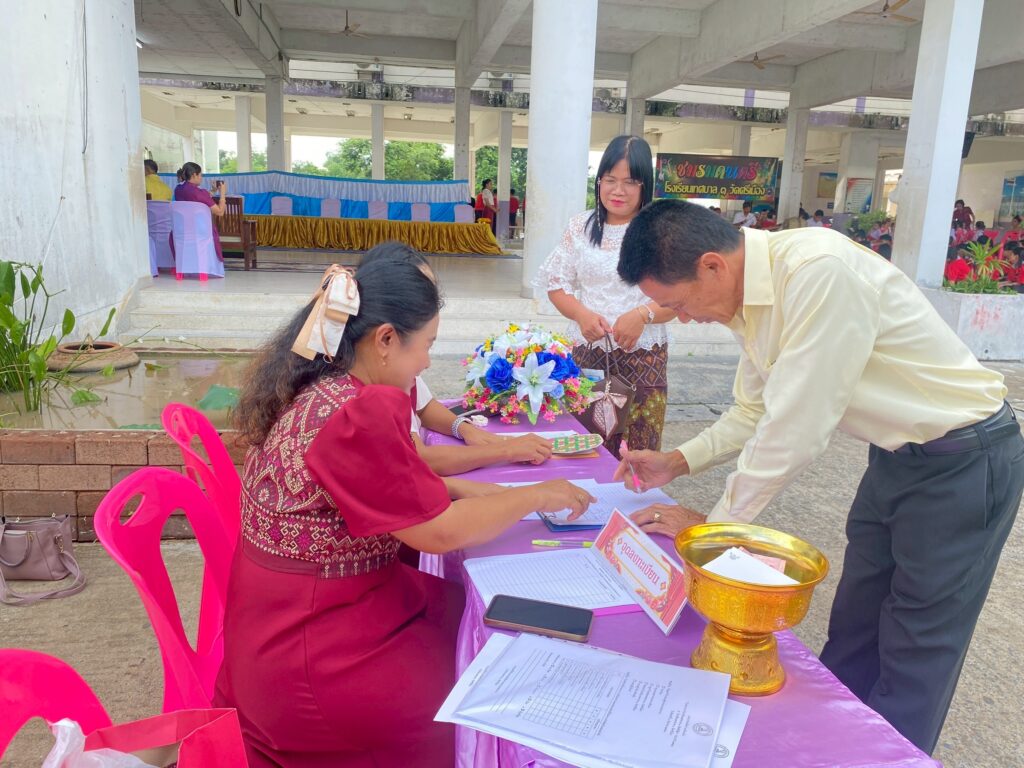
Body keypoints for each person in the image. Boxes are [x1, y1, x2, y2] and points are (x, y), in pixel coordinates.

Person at [610, 200, 1023, 755]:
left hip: (964, 460)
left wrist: (714, 535)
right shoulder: (749, 300)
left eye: (679, 304)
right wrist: (677, 461)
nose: (682, 318)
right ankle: (833, 751)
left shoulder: (819, 273)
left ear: (712, 266)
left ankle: (888, 760)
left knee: (917, 645)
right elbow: (755, 411)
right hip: (895, 456)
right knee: (855, 623)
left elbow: (794, 431)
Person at [215, 250, 595, 767]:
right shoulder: (357, 410)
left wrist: (479, 489)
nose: (427, 364)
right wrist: (536, 494)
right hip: (313, 656)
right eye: (427, 345)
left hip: (278, 628)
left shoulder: (320, 384)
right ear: (386, 339)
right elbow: (439, 533)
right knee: (482, 690)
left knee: (469, 618)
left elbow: (401, 486)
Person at [534, 135, 676, 457]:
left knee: (640, 447)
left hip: (644, 356)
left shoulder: (661, 231)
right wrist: (581, 315)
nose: (618, 190)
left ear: (645, 185)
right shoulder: (581, 227)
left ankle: (633, 489)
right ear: (599, 181)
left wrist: (642, 315)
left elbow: (680, 296)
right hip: (590, 352)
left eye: (630, 182)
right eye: (610, 180)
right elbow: (556, 283)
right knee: (586, 442)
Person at [359, 245, 554, 475]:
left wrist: (462, 428)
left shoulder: (389, 363)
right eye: (423, 292)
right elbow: (416, 460)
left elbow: (423, 405)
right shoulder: (373, 390)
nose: (427, 363)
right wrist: (506, 451)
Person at [174, 162, 226, 261]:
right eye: (200, 175)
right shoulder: (199, 192)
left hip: (183, 230)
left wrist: (213, 190)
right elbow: (220, 212)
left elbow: (200, 197)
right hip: (201, 231)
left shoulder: (178, 189)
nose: (201, 178)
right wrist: (222, 194)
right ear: (194, 175)